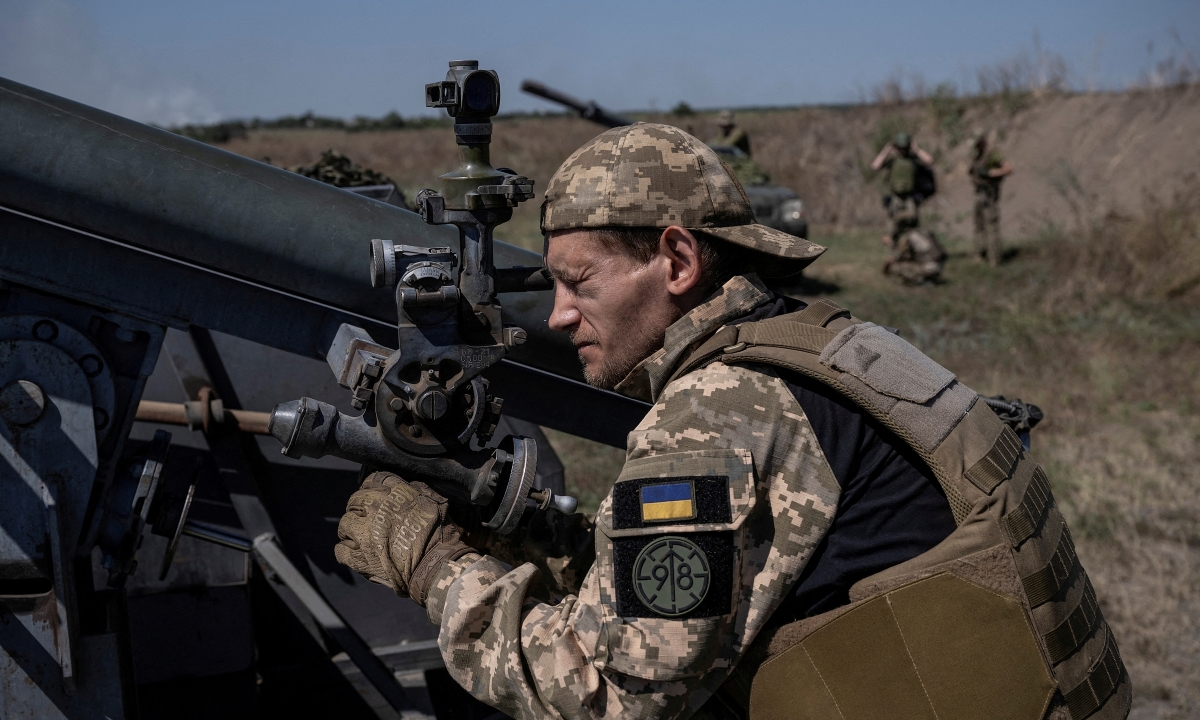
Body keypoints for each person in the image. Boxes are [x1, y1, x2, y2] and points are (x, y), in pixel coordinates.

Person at [334, 124, 1129, 720]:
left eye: (579, 282)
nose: (559, 315)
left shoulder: (715, 414)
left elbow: (612, 693)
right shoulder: (836, 341)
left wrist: (437, 568)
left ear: (678, 261)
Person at [870, 132, 935, 245]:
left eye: (904, 147)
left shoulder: (913, 159)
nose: (902, 150)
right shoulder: (893, 160)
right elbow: (875, 166)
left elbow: (929, 161)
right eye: (900, 147)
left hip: (911, 195)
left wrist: (916, 150)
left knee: (912, 221)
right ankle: (894, 248)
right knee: (894, 222)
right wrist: (887, 150)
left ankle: (912, 247)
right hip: (896, 196)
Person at [970, 128, 1014, 266]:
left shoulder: (993, 153)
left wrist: (990, 173)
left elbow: (1008, 169)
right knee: (979, 225)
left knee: (991, 226)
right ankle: (980, 254)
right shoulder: (978, 155)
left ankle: (995, 259)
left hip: (989, 194)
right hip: (979, 193)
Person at [883, 225, 947, 284]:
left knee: (895, 266)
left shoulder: (908, 236)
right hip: (940, 265)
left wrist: (890, 244)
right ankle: (930, 278)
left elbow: (895, 257)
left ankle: (922, 280)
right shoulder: (926, 231)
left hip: (928, 266)